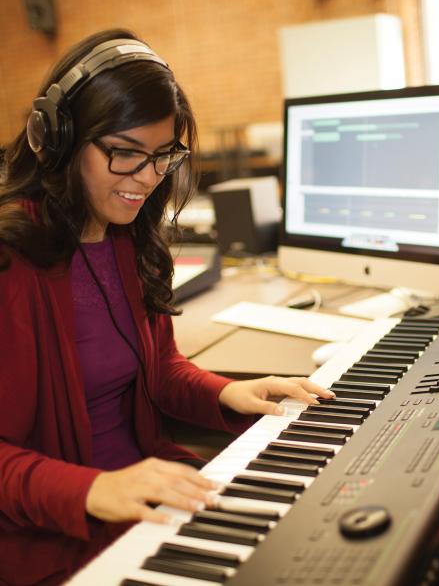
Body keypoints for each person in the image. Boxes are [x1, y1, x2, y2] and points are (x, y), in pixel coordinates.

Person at [0, 29, 334, 586]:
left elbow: (157, 368)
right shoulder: (12, 262)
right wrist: (94, 488)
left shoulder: (127, 237)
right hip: (57, 536)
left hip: (151, 499)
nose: (149, 179)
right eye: (126, 155)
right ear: (57, 140)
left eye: (163, 157)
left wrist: (226, 390)